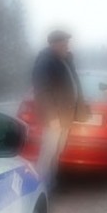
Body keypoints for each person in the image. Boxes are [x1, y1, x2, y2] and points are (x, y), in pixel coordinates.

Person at [31, 30, 83, 187]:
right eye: (64, 43)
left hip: (64, 117)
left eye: (67, 42)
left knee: (57, 152)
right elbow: (42, 91)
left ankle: (50, 183)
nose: (67, 46)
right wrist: (52, 117)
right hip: (54, 119)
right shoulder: (46, 61)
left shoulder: (63, 60)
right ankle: (38, 185)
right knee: (48, 153)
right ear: (54, 44)